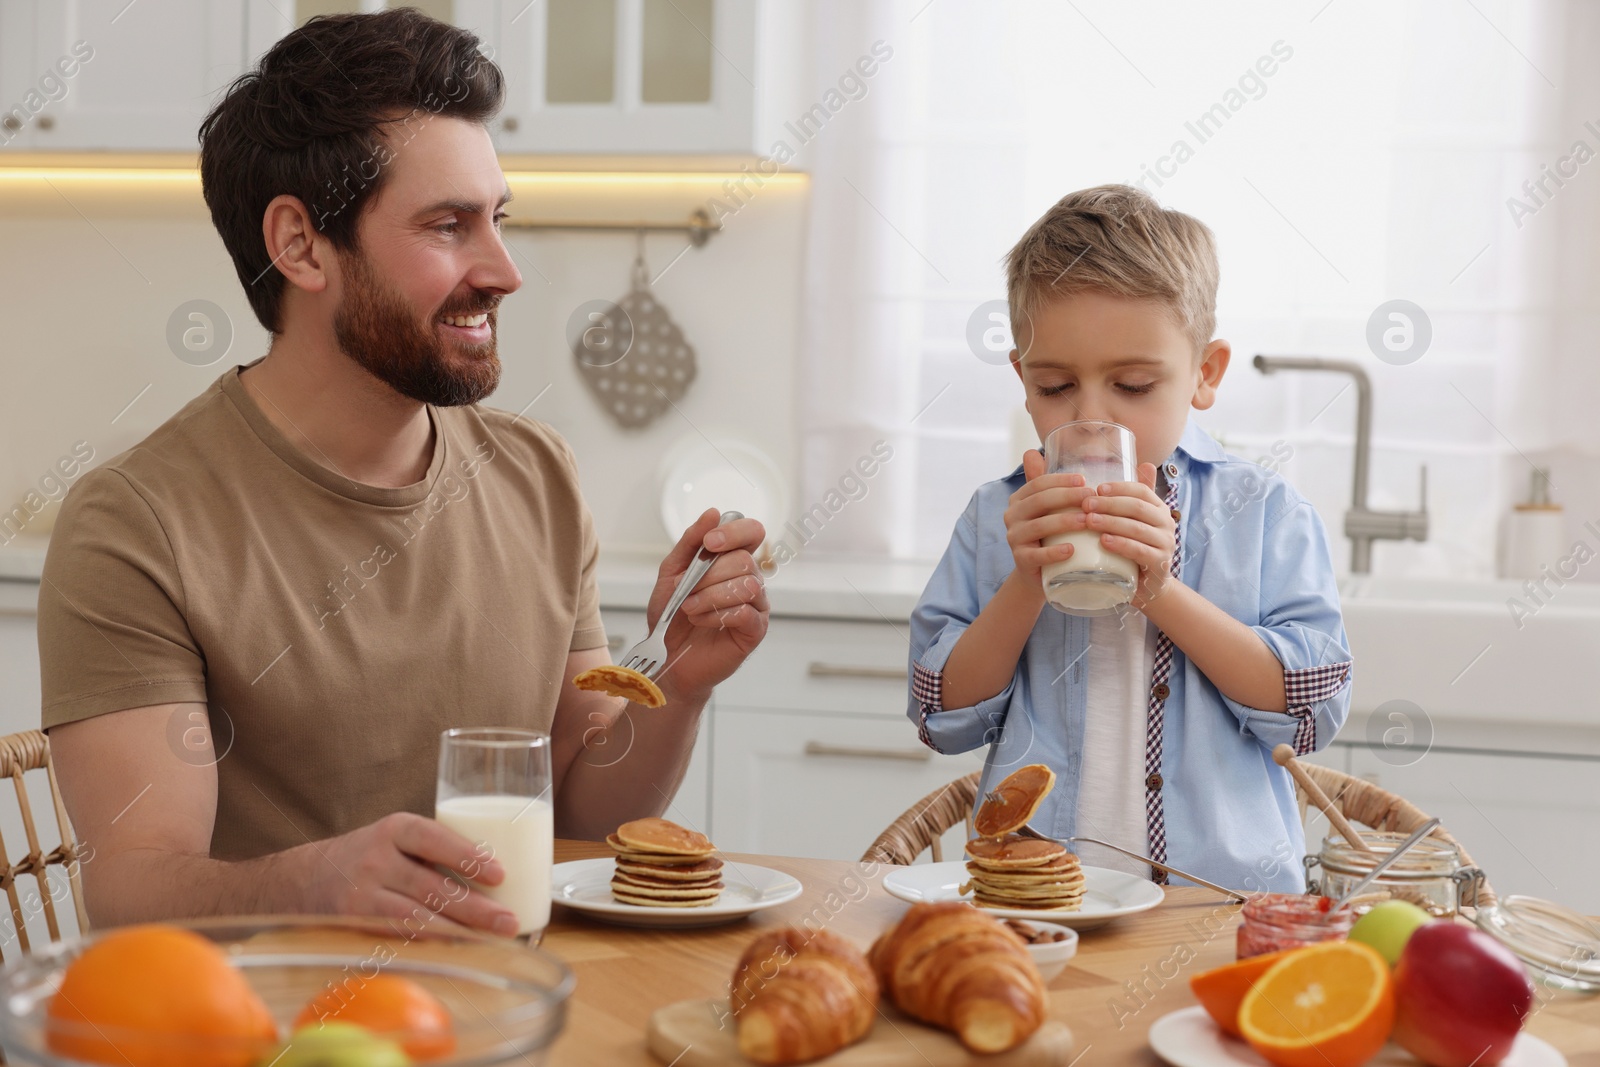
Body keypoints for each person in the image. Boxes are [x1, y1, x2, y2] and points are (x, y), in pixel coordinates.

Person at [38, 9, 768, 934]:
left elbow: (585, 820)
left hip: (513, 999)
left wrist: (682, 679)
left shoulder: (537, 475)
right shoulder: (136, 524)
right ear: (301, 245)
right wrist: (312, 882)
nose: (504, 270)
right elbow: (130, 890)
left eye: (497, 220)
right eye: (449, 225)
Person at [907, 184, 1351, 891]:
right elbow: (940, 718)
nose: (1090, 415)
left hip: (1220, 911)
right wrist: (1027, 581)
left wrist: (1163, 592)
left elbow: (1307, 712)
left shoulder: (1266, 513)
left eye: (1135, 385)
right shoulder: (999, 518)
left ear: (1204, 374)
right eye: (1055, 385)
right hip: (1039, 906)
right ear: (1023, 378)